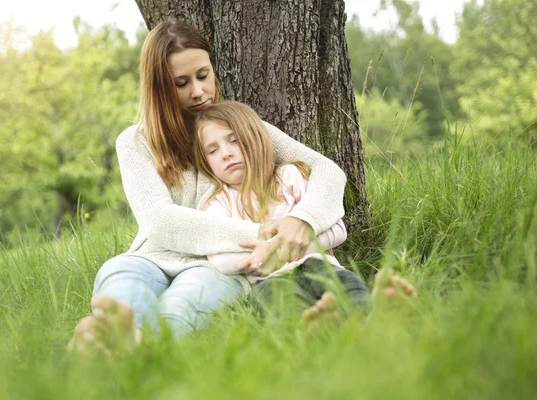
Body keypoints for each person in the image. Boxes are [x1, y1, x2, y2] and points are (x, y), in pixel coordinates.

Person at [68, 20, 352, 356]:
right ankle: (111, 339)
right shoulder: (136, 142)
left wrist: (302, 220)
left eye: (203, 75)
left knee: (185, 298)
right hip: (153, 256)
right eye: (181, 83)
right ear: (159, 88)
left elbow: (326, 169)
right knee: (118, 270)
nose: (199, 91)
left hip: (217, 265)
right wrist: (262, 233)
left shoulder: (237, 129)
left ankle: (142, 354)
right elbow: (159, 221)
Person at [193, 101, 418, 327]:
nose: (226, 154)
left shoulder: (289, 177)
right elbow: (219, 259)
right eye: (213, 150)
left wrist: (280, 248)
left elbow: (338, 230)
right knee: (284, 304)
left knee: (345, 286)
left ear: (257, 138)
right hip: (268, 279)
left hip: (317, 262)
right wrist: (264, 261)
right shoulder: (218, 203)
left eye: (234, 141)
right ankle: (311, 329)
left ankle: (376, 316)